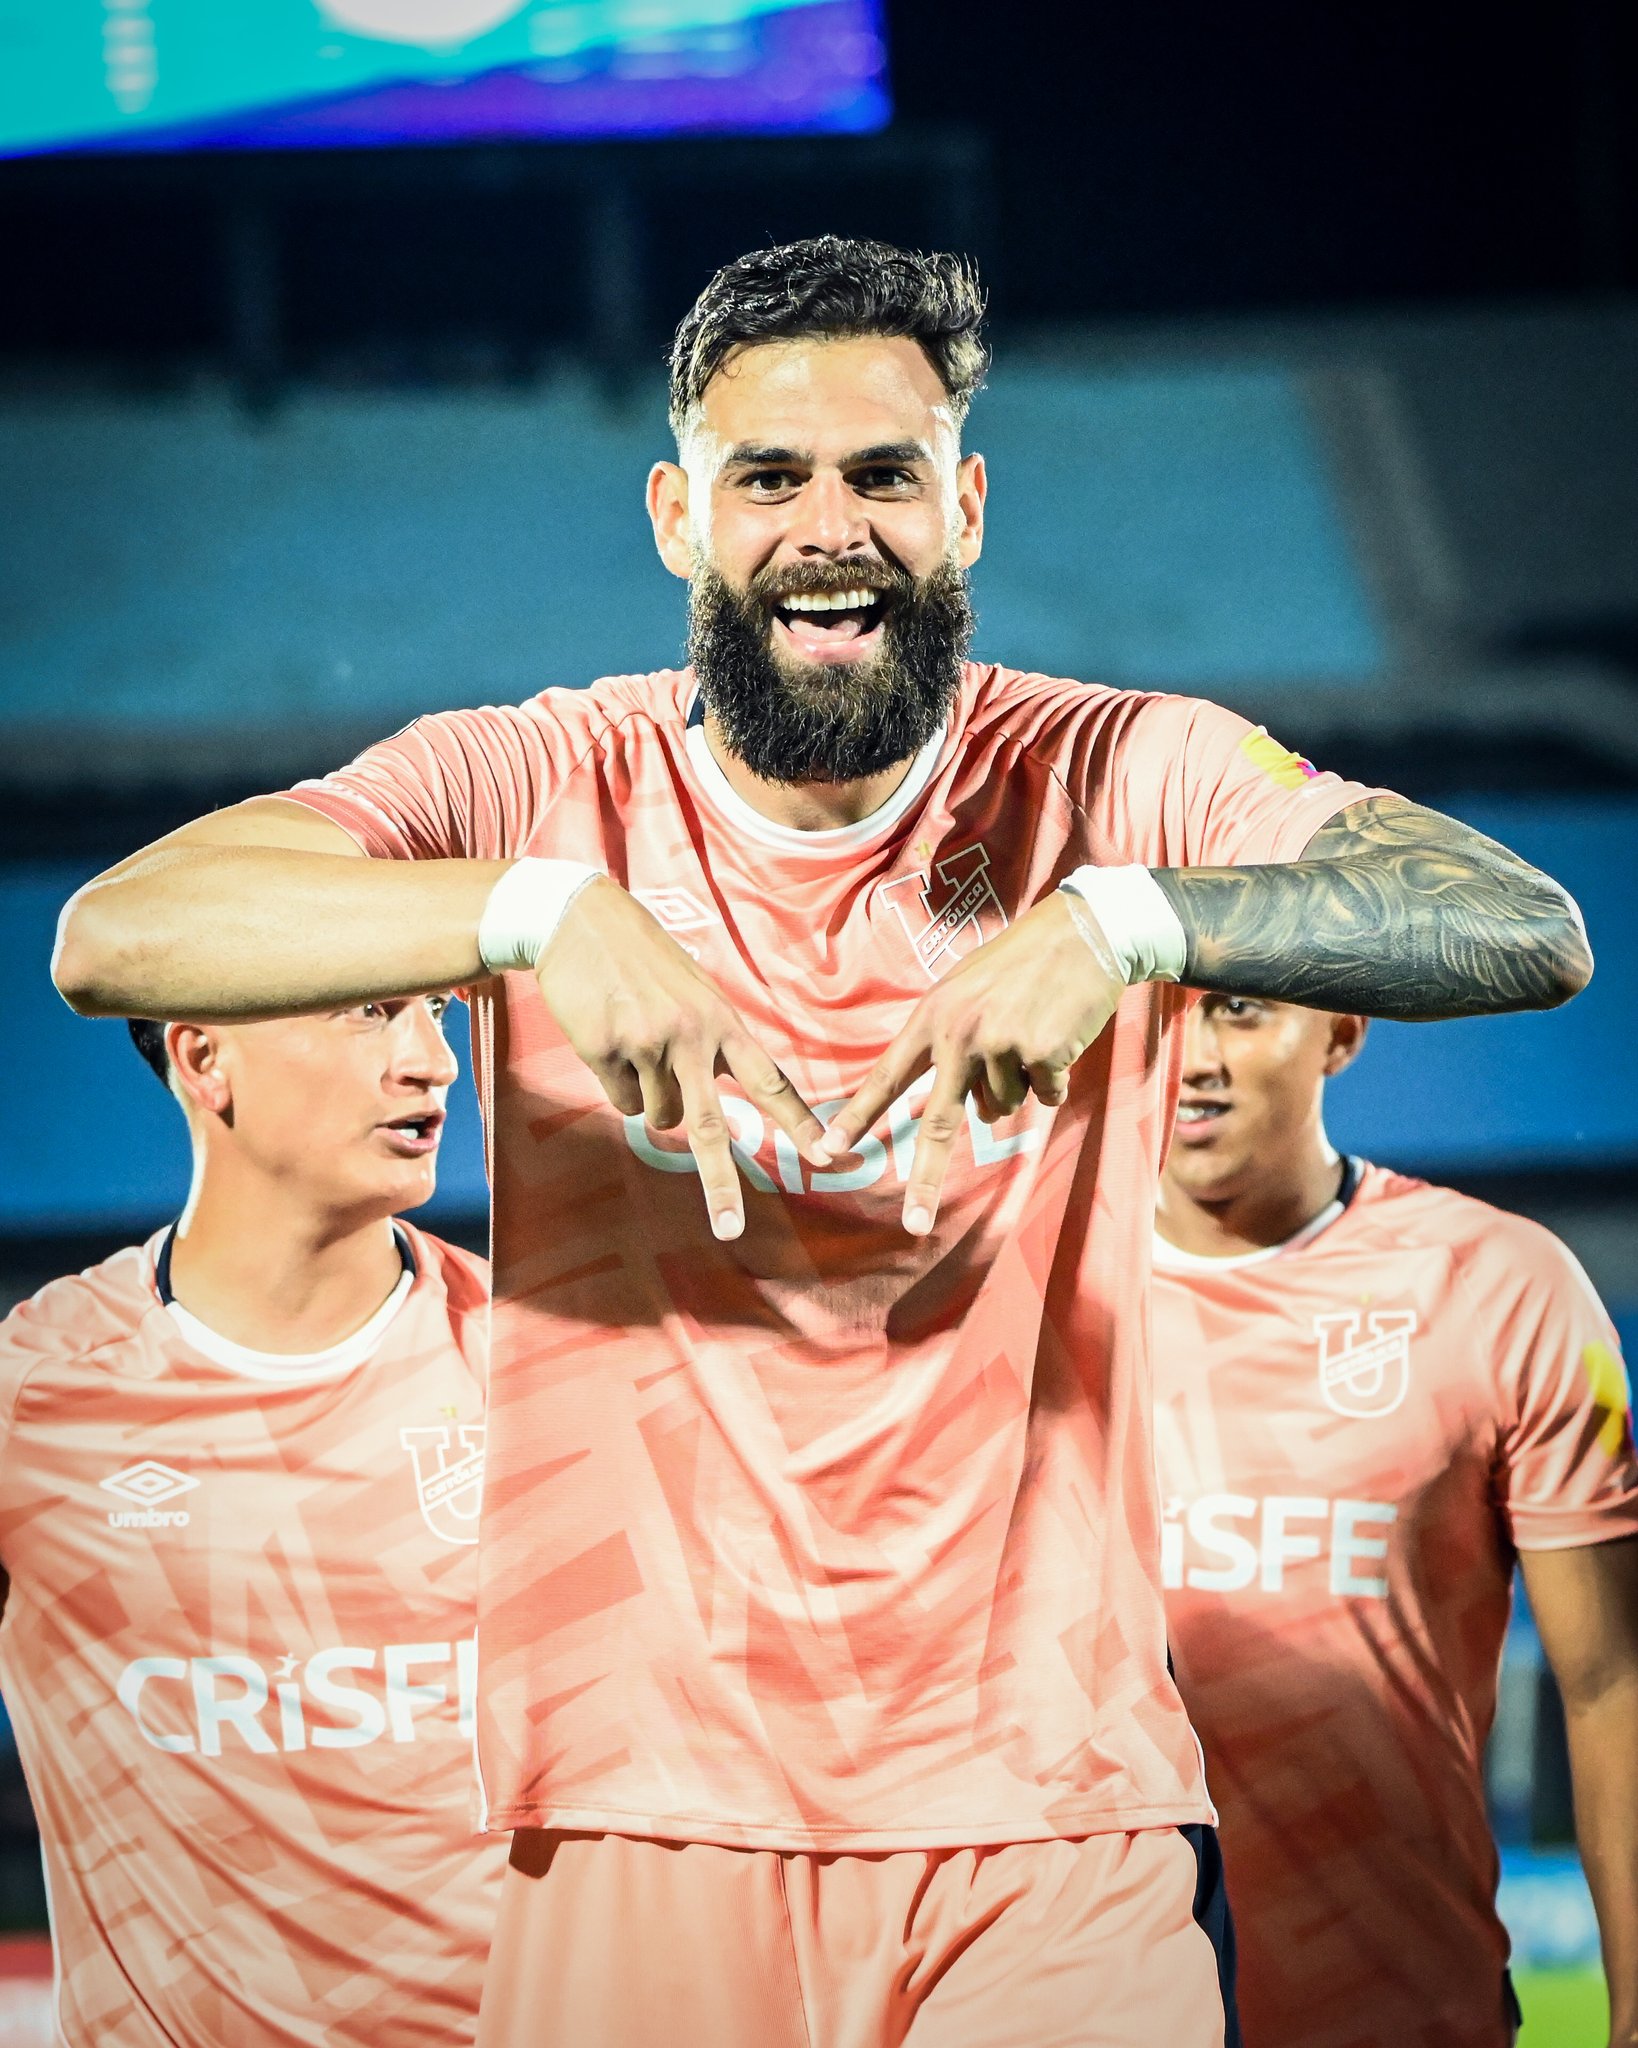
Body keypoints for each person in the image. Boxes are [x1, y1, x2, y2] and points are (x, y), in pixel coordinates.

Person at [52, 237, 1592, 2048]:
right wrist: (538, 910)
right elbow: (114, 937)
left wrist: (1127, 924)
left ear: (969, 505)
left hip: (1046, 1807)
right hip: (633, 1797)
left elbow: (1520, 925)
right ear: (672, 515)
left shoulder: (1116, 767)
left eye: (884, 472)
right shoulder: (532, 778)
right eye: (765, 476)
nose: (826, 522)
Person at [0, 996, 504, 2046]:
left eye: (438, 1010)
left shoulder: (547, 1369)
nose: (432, 1062)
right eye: (370, 1012)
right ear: (202, 1055)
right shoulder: (36, 1397)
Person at [1152, 992, 1638, 2048]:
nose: (1192, 1057)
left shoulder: (1502, 1286)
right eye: (1154, 1007)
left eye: (1239, 1012)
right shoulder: (1022, 1297)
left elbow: (1611, 1681)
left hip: (1407, 2010)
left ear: (1341, 1030)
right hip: (1091, 2014)